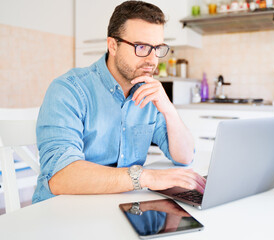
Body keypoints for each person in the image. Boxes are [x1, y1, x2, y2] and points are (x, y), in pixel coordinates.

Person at [32, 0, 206, 204]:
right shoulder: (69, 89)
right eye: (141, 47)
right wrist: (146, 176)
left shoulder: (148, 93)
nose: (152, 60)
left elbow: (184, 157)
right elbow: (61, 177)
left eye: (157, 48)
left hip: (120, 207)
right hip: (64, 211)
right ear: (113, 45)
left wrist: (169, 110)